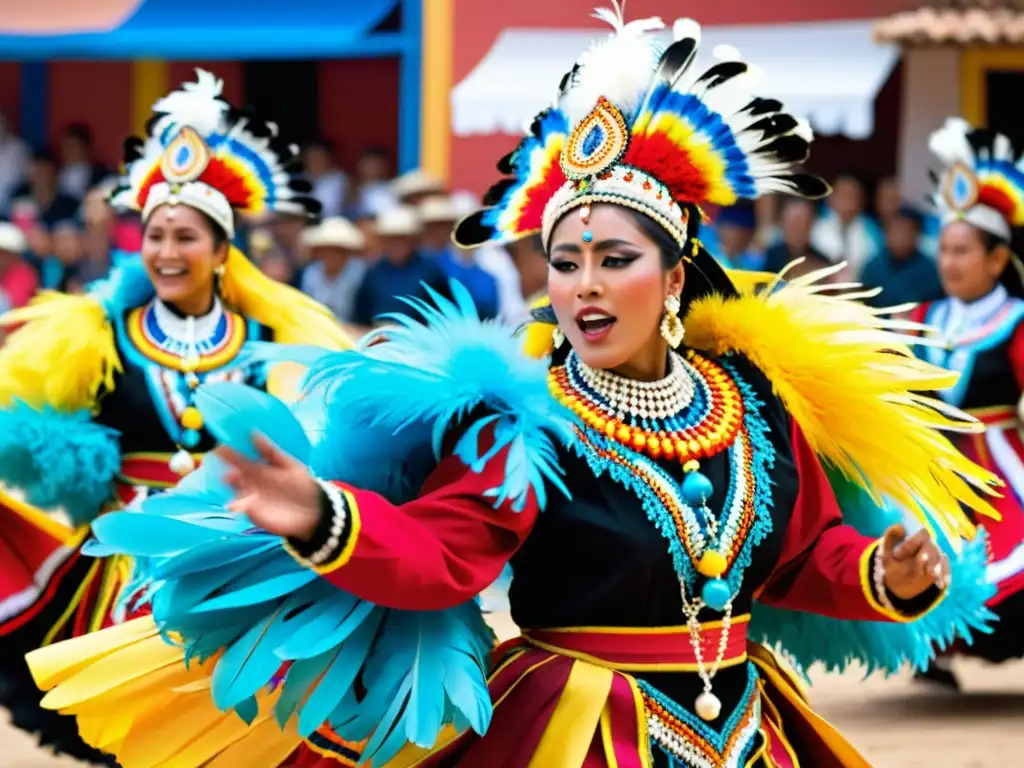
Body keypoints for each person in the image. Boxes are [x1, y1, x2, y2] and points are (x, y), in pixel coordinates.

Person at [28, 10, 996, 768]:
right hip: (572, 727)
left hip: (746, 724)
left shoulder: (753, 403)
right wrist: (325, 516)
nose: (578, 283)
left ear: (673, 272)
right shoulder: (524, 419)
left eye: (611, 258)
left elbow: (797, 556)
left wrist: (887, 575)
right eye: (560, 260)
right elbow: (443, 555)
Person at [0, 68, 351, 764]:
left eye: (185, 237)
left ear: (222, 252)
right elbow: (30, 430)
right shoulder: (96, 336)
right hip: (123, 564)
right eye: (154, 235)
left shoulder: (269, 347)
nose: (165, 251)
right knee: (130, 732)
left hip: (236, 557)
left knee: (236, 730)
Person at [908, 118, 1024, 689]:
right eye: (944, 249)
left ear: (997, 260)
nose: (949, 261)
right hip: (933, 467)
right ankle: (935, 652)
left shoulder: (1018, 323)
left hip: (1000, 462)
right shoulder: (924, 319)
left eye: (963, 251)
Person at [860, 204, 944, 309]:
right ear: (887, 232)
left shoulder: (930, 271)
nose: (901, 237)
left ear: (917, 235)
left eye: (907, 231)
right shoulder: (872, 268)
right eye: (896, 230)